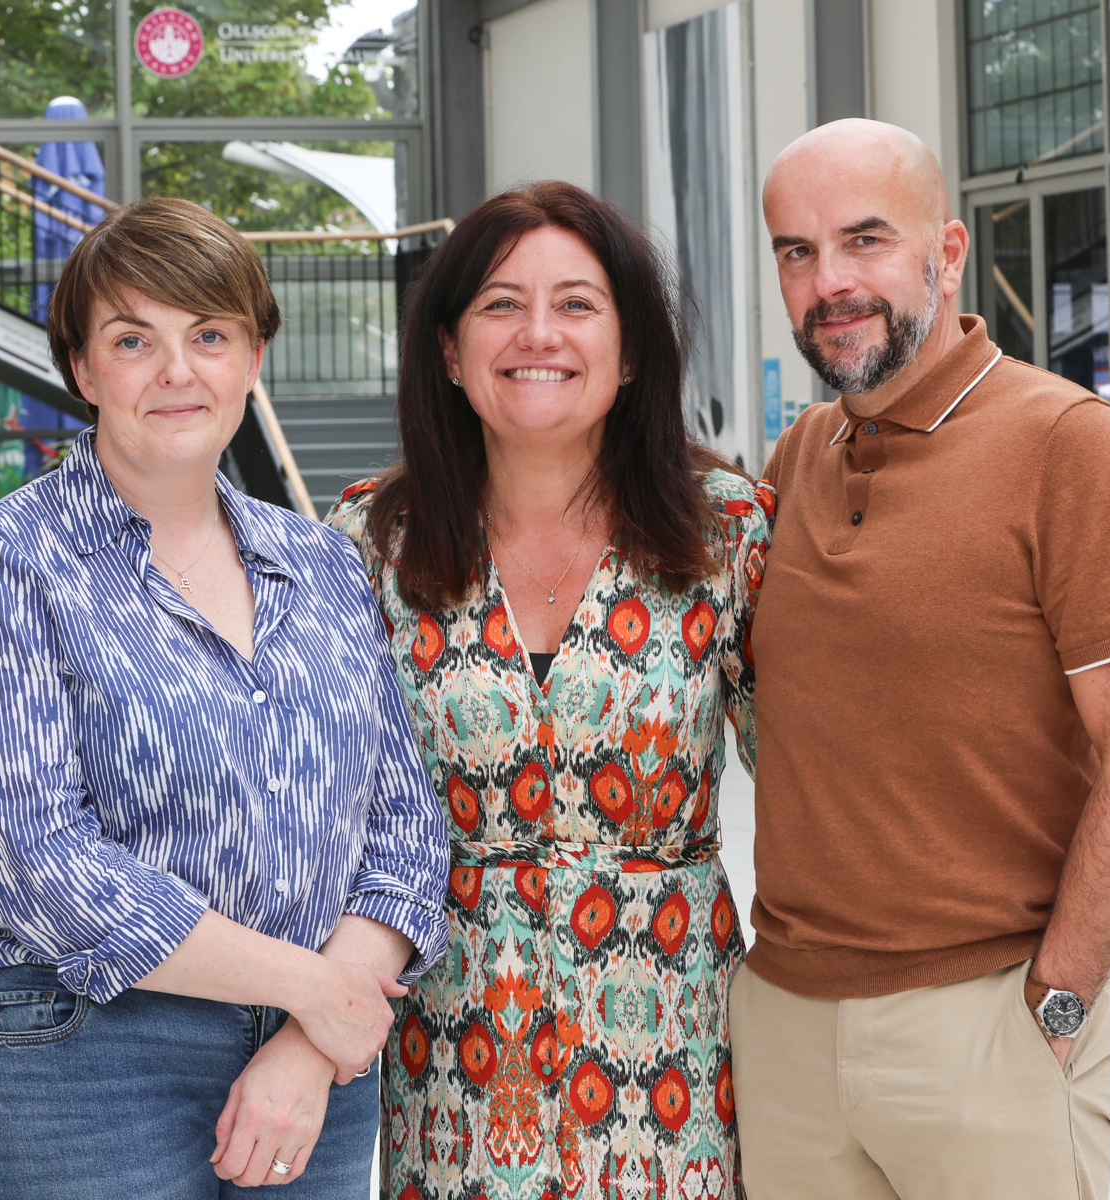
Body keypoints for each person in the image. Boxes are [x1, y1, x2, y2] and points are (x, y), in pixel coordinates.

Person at [0, 196, 450, 1198]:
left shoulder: (322, 564)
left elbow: (404, 832)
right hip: (88, 1056)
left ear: (253, 355)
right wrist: (315, 990)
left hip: (309, 1059)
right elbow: (41, 861)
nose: (176, 371)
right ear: (82, 368)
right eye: (132, 338)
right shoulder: (3, 566)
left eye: (209, 335)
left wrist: (305, 1039)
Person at [733, 118, 1110, 1200]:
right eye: (797, 252)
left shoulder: (1070, 447)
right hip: (787, 1026)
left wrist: (1059, 1007)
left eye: (864, 241)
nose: (829, 281)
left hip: (987, 1025)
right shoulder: (801, 454)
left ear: (946, 256)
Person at [326, 180, 771, 1199]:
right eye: (499, 304)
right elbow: (322, 809)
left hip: (675, 1051)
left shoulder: (728, 532)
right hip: (450, 1057)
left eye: (576, 303)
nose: (539, 334)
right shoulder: (366, 542)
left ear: (630, 349)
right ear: (448, 350)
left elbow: (818, 777)